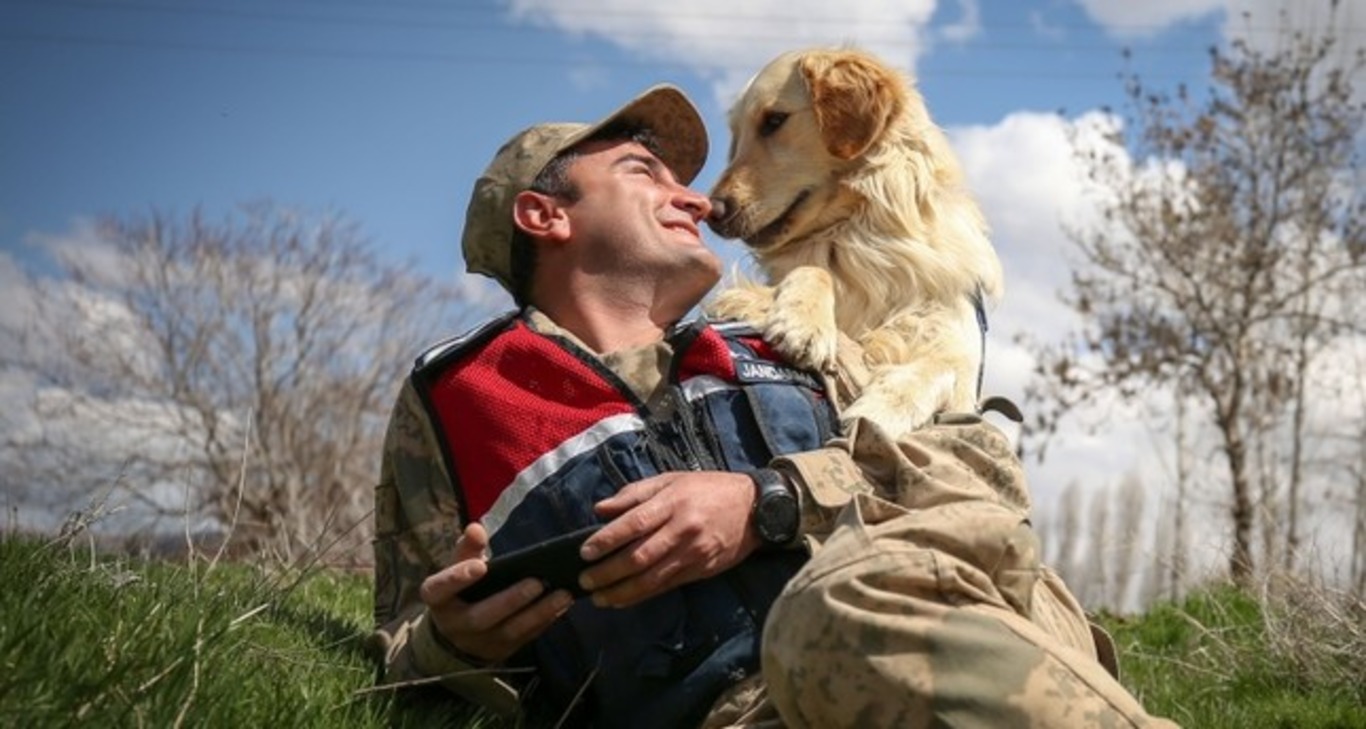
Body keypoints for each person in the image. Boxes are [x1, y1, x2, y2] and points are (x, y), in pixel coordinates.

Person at [368, 84, 1178, 728]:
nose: (701, 202)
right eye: (644, 174)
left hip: (943, 639)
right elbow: (404, 637)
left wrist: (771, 502)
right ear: (545, 214)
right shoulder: (452, 399)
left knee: (833, 608)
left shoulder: (787, 334)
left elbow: (983, 476)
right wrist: (452, 643)